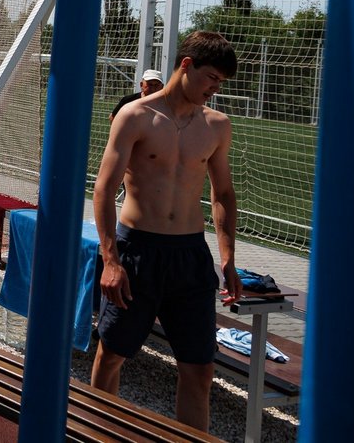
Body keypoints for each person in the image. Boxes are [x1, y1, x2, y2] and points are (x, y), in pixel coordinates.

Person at [89, 30, 242, 431]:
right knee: (112, 355)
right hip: (138, 251)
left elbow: (224, 194)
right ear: (186, 65)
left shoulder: (216, 125)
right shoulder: (136, 115)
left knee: (200, 368)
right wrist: (110, 260)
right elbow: (103, 189)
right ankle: (95, 432)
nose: (215, 88)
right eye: (212, 78)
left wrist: (228, 258)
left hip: (190, 256)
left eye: (221, 82)